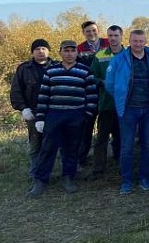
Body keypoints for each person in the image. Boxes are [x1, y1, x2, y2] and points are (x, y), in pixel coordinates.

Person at [28, 40, 98, 198]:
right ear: (60, 52)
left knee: (71, 149)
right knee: (48, 148)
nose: (69, 54)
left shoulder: (85, 71)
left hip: (76, 115)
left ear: (77, 53)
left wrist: (86, 116)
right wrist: (40, 118)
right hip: (54, 115)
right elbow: (44, 96)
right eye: (66, 51)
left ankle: (68, 177)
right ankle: (40, 180)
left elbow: (92, 96)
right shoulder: (51, 71)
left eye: (73, 51)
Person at [105, 29, 149, 195]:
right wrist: (121, 97)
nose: (138, 44)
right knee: (126, 146)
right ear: (129, 41)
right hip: (128, 109)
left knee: (148, 145)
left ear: (145, 42)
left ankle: (145, 178)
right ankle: (126, 181)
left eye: (141, 41)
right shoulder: (119, 59)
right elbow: (110, 84)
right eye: (135, 41)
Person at [9, 39, 53, 179]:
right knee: (35, 145)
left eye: (43, 48)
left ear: (49, 51)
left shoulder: (57, 66)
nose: (41, 51)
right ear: (32, 52)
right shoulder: (24, 69)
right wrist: (23, 108)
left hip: (53, 112)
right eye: (37, 49)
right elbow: (16, 91)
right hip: (33, 112)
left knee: (54, 144)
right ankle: (36, 174)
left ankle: (56, 172)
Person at [85, 25, 124, 180]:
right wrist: (102, 82)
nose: (113, 38)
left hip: (124, 106)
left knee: (122, 138)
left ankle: (123, 168)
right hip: (106, 104)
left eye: (116, 35)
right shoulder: (100, 55)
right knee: (101, 139)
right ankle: (98, 170)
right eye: (110, 35)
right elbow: (91, 76)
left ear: (121, 36)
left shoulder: (128, 54)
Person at [76, 20, 109, 167]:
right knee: (86, 127)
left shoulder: (108, 43)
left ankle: (110, 157)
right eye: (88, 31)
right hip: (88, 92)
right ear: (84, 33)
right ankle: (81, 158)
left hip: (107, 92)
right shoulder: (79, 48)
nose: (91, 33)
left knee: (108, 126)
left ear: (98, 30)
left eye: (93, 30)